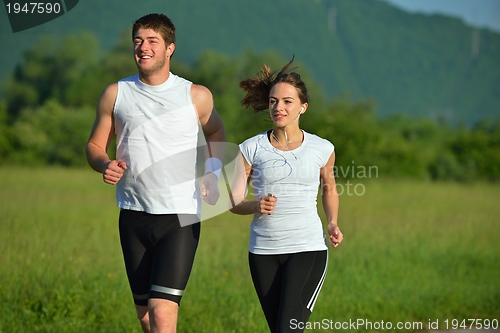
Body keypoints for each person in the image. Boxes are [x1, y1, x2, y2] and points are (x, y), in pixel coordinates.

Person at [86, 13, 225, 333]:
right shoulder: (115, 93)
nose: (143, 47)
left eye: (152, 41)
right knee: (146, 317)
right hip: (133, 215)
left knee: (162, 313)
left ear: (169, 48)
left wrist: (212, 172)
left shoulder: (196, 95)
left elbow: (216, 133)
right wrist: (104, 164)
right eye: (137, 41)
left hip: (179, 217)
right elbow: (94, 145)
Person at [229, 57, 343, 333]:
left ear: (303, 107)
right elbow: (233, 201)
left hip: (307, 248)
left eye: (287, 101)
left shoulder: (322, 148)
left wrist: (332, 222)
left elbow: (329, 188)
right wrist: (255, 205)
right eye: (273, 101)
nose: (278, 107)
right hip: (263, 252)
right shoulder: (249, 148)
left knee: (287, 330)